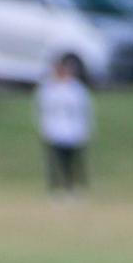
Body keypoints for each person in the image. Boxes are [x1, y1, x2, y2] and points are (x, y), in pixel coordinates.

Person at [35, 54, 94, 193]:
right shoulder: (48, 89)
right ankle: (55, 188)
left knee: (73, 161)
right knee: (55, 161)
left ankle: (73, 187)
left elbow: (84, 110)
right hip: (54, 129)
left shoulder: (77, 89)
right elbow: (42, 110)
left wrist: (85, 129)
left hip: (73, 130)